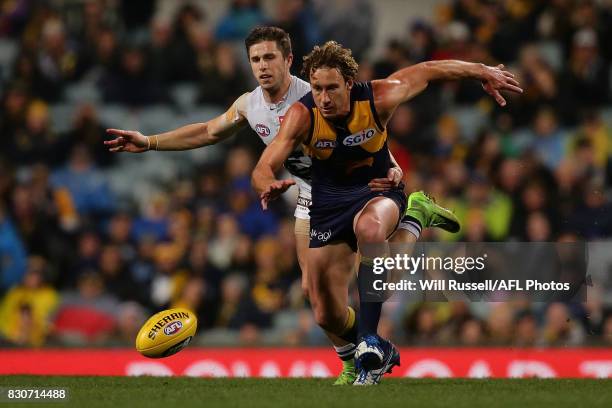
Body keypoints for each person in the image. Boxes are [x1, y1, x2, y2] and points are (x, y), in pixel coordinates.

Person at [105, 26, 416, 384]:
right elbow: (208, 131)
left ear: (289, 60)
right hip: (309, 201)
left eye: (270, 57)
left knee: (373, 278)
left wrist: (391, 164)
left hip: (357, 195)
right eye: (255, 59)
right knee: (318, 303)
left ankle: (408, 232)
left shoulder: (315, 94)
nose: (262, 66)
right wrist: (149, 142)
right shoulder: (248, 105)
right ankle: (356, 354)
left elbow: (363, 132)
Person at [252, 41, 522, 385]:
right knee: (325, 312)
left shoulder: (379, 97)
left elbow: (428, 70)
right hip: (328, 205)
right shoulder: (302, 116)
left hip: (378, 191)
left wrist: (481, 71)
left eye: (332, 87)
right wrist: (266, 183)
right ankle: (417, 218)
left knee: (369, 230)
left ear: (349, 83)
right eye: (317, 88)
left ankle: (368, 341)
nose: (324, 96)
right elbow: (264, 165)